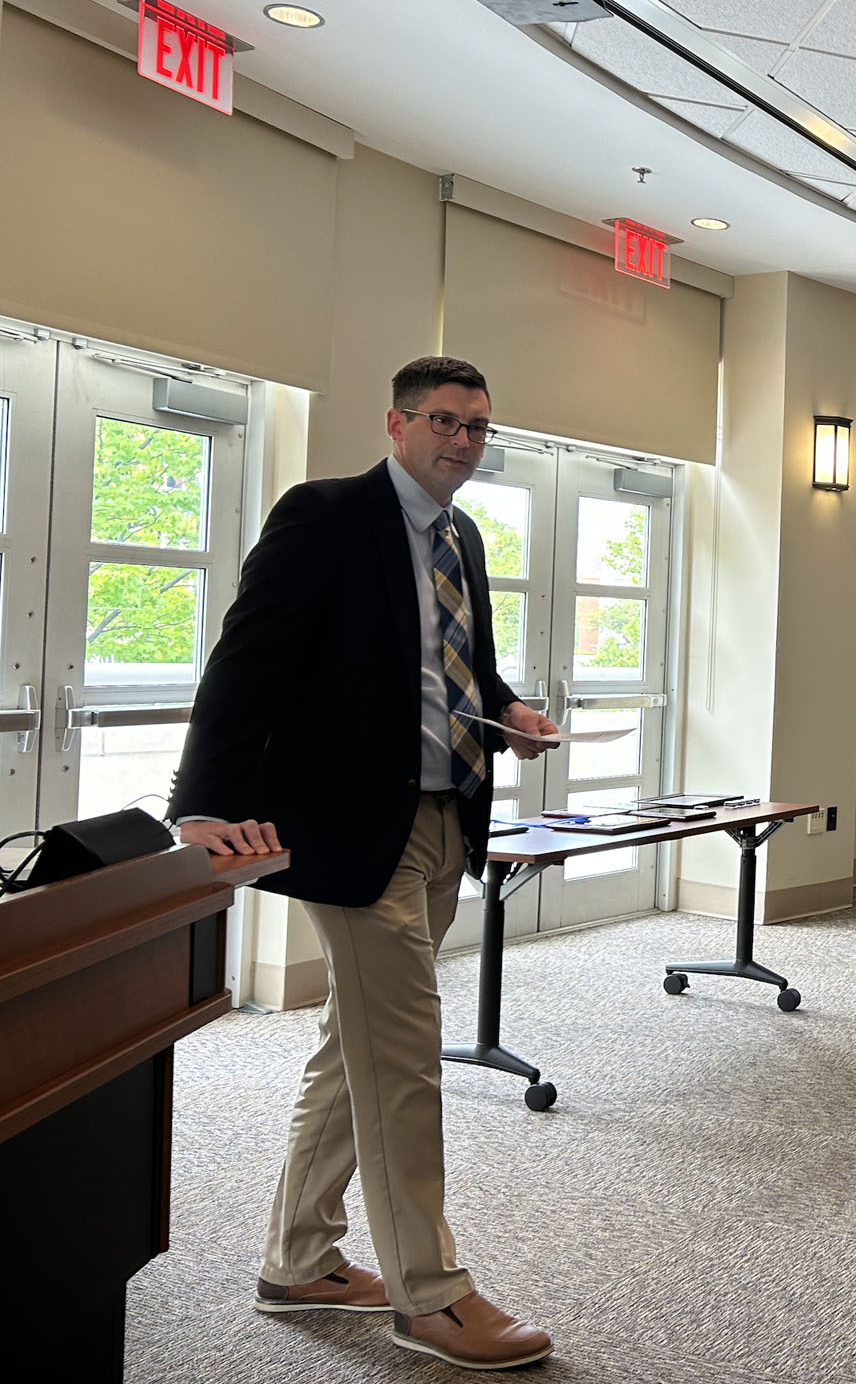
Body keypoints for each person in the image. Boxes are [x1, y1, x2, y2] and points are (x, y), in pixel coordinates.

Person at [169, 357, 562, 1370]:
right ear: (396, 422)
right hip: (348, 830)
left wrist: (509, 710)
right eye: (443, 421)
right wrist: (202, 804)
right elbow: (246, 660)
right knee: (400, 1061)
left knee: (357, 1048)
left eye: (478, 427)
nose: (462, 442)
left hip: (442, 824)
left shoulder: (462, 535)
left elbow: (454, 662)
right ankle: (430, 1295)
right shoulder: (325, 515)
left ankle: (300, 1258)